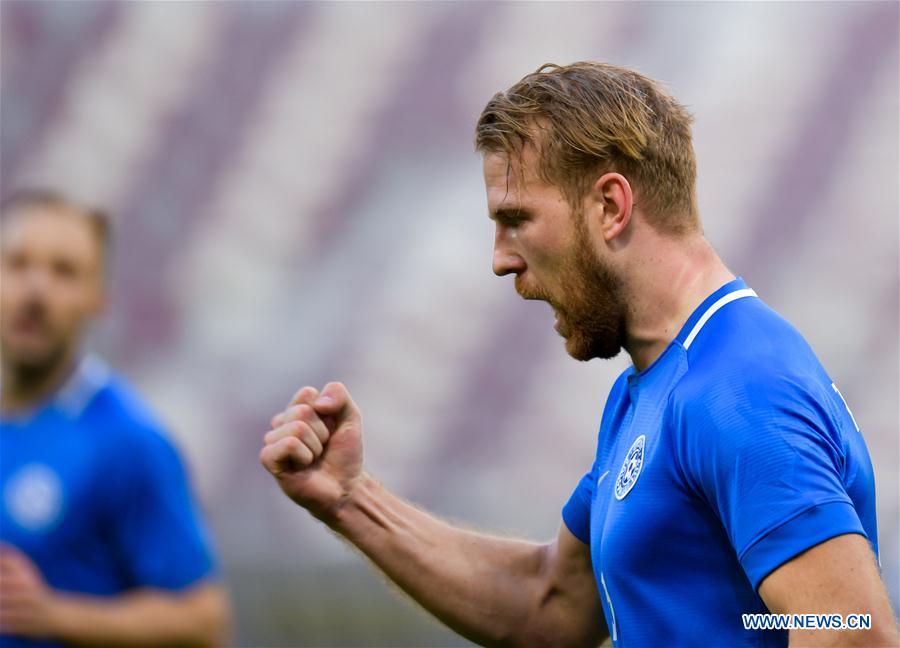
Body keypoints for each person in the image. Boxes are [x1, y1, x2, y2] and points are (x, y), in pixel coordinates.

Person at [260, 62, 898, 646]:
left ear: (610, 206)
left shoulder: (737, 389)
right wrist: (350, 499)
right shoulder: (653, 388)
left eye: (516, 219)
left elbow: (850, 631)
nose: (500, 259)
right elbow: (551, 603)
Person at [0, 190, 230, 647]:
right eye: (17, 264)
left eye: (64, 271)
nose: (36, 290)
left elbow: (205, 620)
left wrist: (54, 616)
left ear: (98, 297)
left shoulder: (128, 439)